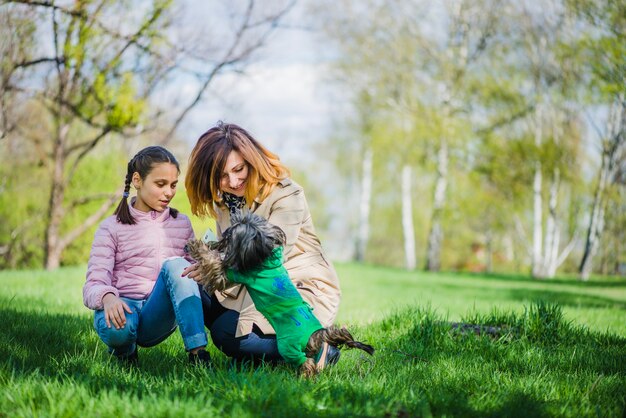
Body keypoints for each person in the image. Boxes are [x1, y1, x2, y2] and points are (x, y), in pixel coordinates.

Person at [183, 122, 341, 368]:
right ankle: (255, 353)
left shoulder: (287, 195)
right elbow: (229, 251)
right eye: (222, 176)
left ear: (252, 161)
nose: (233, 181)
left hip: (291, 283)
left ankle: (318, 347)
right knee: (191, 291)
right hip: (248, 283)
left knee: (226, 335)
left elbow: (266, 258)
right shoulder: (223, 202)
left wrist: (213, 269)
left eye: (239, 169)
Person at [83, 146, 210, 366]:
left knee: (177, 265)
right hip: (122, 310)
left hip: (158, 314)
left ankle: (198, 354)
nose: (169, 192)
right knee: (119, 330)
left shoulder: (181, 223)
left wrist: (203, 268)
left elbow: (190, 274)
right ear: (137, 180)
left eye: (172, 185)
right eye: (160, 184)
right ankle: (124, 352)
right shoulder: (110, 227)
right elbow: (93, 283)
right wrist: (108, 297)